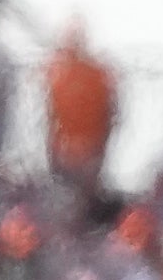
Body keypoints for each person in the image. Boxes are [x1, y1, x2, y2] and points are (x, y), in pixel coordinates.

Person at [44, 22, 116, 201]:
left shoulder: (97, 73)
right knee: (63, 197)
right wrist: (56, 149)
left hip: (90, 150)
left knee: (86, 198)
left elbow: (109, 114)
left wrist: (96, 148)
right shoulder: (56, 73)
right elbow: (51, 116)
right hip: (64, 151)